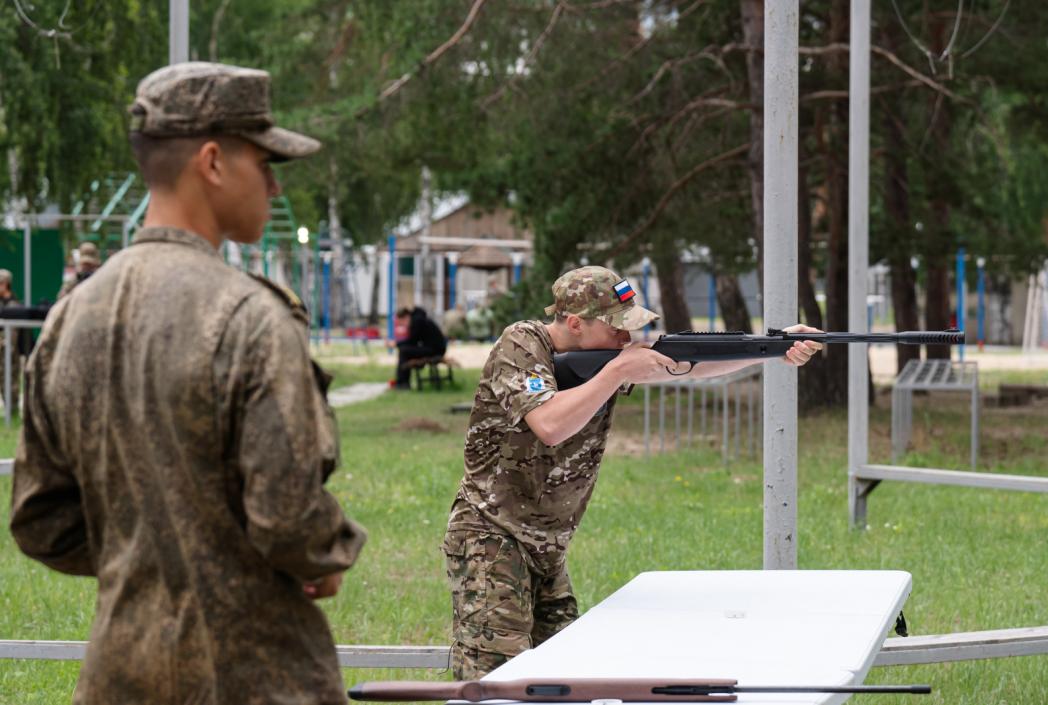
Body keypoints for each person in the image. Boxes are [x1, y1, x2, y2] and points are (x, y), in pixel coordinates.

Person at [10, 62, 366, 705]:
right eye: (265, 163)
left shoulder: (69, 318)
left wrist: (145, 555)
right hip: (257, 676)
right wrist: (329, 553)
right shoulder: (251, 317)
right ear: (212, 161)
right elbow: (287, 520)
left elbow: (40, 519)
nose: (274, 188)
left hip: (120, 675)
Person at [442, 265, 822, 679]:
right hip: (492, 536)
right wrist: (620, 370)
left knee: (559, 677)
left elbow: (688, 365)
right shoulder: (521, 344)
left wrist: (774, 348)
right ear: (574, 323)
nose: (627, 339)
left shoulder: (601, 363)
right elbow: (550, 425)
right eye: (616, 328)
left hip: (547, 544)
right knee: (495, 682)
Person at [390, 306, 447, 389]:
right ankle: (402, 382)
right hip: (434, 348)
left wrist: (396, 344)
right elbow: (413, 341)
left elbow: (412, 341)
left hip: (435, 350)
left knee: (404, 351)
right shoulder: (418, 319)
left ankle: (402, 383)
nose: (404, 326)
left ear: (406, 317)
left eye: (402, 323)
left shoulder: (417, 321)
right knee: (405, 350)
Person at [0, 269, 23, 411]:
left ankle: (12, 410)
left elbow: (12, 335)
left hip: (8, 351)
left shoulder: (14, 306)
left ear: (6, 284)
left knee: (9, 380)